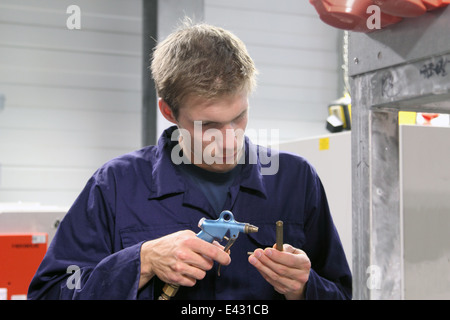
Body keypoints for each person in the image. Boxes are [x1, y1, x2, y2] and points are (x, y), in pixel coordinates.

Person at [27, 20, 351, 300]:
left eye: (239, 117)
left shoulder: (295, 180)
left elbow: (340, 290)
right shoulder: (115, 186)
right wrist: (142, 262)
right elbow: (50, 292)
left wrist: (304, 288)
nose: (229, 139)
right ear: (169, 112)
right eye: (208, 125)